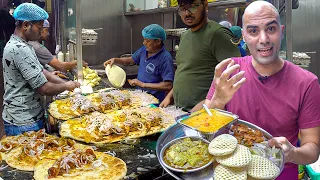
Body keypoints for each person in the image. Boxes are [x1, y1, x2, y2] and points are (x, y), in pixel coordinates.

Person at [197, 1, 320, 179]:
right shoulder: (229, 72)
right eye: (253, 31)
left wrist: (292, 153)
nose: (263, 39)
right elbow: (204, 132)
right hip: (231, 172)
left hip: (281, 172)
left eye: (271, 29)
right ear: (244, 36)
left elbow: (313, 149)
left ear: (282, 31)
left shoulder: (307, 83)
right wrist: (217, 101)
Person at [2, 3, 80, 136]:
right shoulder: (19, 49)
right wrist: (67, 85)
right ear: (26, 25)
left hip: (29, 117)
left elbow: (43, 72)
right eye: (39, 27)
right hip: (23, 122)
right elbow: (43, 88)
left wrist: (71, 86)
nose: (41, 31)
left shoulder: (25, 45)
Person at [160, 0, 240, 111]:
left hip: (205, 115)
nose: (187, 13)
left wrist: (206, 105)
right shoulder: (185, 36)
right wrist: (170, 96)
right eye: (183, 8)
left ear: (205, 5)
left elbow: (236, 78)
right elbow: (185, 70)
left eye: (192, 7)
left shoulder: (217, 34)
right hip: (180, 111)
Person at [104, 24, 174, 102]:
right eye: (144, 40)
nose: (144, 43)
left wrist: (142, 84)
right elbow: (130, 60)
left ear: (158, 41)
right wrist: (115, 60)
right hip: (139, 95)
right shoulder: (144, 50)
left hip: (154, 99)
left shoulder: (165, 58)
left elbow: (168, 85)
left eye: (147, 41)